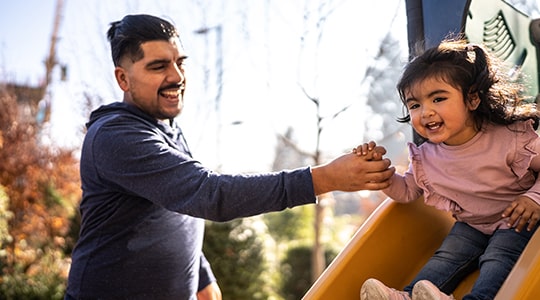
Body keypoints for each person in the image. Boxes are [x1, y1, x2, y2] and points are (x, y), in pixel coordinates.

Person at [64, 14, 395, 300]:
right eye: (158, 66)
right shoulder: (116, 136)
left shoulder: (166, 128)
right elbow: (209, 194)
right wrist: (325, 179)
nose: (177, 77)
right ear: (123, 78)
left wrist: (202, 275)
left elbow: (179, 208)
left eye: (180, 62)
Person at [355, 39, 540, 300]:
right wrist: (381, 175)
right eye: (415, 105)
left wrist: (534, 198)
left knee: (499, 256)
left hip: (517, 221)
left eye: (438, 98)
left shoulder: (509, 139)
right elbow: (407, 191)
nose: (426, 112)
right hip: (472, 225)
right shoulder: (428, 157)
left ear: (472, 99)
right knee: (446, 257)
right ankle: (409, 296)